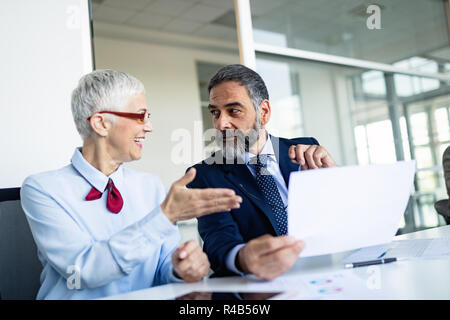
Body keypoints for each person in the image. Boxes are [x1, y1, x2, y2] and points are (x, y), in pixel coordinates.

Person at [20, 69, 242, 299]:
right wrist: (164, 217)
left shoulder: (150, 185)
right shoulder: (43, 189)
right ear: (101, 123)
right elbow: (81, 271)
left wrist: (181, 268)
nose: (149, 127)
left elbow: (164, 266)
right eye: (140, 116)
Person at [188, 64, 336, 280]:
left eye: (233, 111)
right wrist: (242, 258)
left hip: (326, 275)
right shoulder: (205, 175)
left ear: (263, 112)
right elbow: (217, 240)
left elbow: (342, 218)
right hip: (264, 289)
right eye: (215, 112)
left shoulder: (307, 151)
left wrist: (335, 179)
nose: (220, 124)